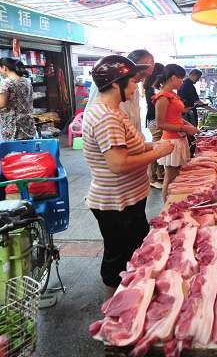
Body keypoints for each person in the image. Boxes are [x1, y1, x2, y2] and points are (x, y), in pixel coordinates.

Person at [82, 55, 174, 294]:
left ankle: (133, 297)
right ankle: (116, 313)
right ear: (115, 83)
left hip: (126, 198)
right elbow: (119, 164)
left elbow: (128, 147)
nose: (136, 86)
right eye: (132, 81)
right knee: (117, 256)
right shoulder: (106, 117)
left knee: (134, 250)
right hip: (115, 202)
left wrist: (153, 147)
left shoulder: (114, 111)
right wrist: (157, 153)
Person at [153, 64, 199, 201]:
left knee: (178, 176)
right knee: (170, 177)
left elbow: (176, 117)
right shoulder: (162, 97)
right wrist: (185, 128)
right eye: (180, 79)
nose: (182, 82)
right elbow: (160, 124)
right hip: (171, 141)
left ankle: (175, 205)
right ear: (173, 78)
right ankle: (167, 210)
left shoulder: (172, 95)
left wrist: (188, 125)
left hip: (179, 139)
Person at [84, 49, 155, 133]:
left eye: (147, 76)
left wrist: (139, 140)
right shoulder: (107, 115)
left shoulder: (130, 86)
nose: (142, 80)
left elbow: (134, 116)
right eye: (142, 74)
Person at [0, 58, 36, 141]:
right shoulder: (26, 81)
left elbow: (2, 104)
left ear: (4, 68)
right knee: (26, 151)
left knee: (14, 152)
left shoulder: (6, 83)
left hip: (13, 126)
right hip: (27, 124)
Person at [143, 63, 165, 189]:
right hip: (155, 121)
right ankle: (152, 178)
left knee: (158, 147)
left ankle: (159, 174)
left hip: (153, 120)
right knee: (156, 148)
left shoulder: (152, 87)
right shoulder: (153, 89)